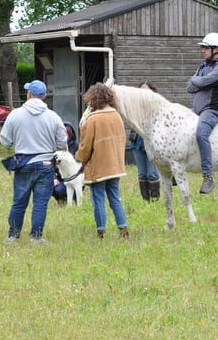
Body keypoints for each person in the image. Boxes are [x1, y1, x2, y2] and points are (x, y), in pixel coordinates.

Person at [0, 80, 67, 244]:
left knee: (19, 202)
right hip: (46, 165)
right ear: (45, 96)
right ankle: (36, 236)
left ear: (29, 94)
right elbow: (62, 144)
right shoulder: (53, 117)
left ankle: (13, 236)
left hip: (23, 164)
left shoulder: (15, 114)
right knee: (40, 204)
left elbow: (6, 142)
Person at [75, 82, 129, 240]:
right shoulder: (117, 116)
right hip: (116, 166)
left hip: (98, 167)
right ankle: (123, 229)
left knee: (98, 199)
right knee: (115, 198)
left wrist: (80, 159)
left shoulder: (92, 120)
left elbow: (85, 147)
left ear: (94, 99)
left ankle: (101, 232)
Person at [186, 32, 218, 194]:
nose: (202, 50)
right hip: (197, 110)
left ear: (216, 49)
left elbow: (203, 81)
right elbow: (190, 87)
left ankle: (208, 176)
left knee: (201, 133)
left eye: (205, 48)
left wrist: (198, 80)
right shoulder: (204, 65)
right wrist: (199, 81)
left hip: (214, 109)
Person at [130, 80, 161, 201]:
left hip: (152, 142)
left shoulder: (157, 105)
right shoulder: (135, 107)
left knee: (152, 173)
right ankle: (146, 200)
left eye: (146, 90)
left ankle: (155, 199)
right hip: (137, 141)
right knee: (142, 173)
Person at [52, 121, 79, 204]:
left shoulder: (76, 146)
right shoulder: (55, 147)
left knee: (61, 189)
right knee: (48, 186)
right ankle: (60, 200)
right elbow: (51, 165)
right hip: (60, 176)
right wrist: (54, 178)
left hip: (74, 177)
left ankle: (73, 197)